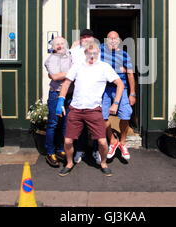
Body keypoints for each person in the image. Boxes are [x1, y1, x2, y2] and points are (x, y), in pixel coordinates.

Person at [55, 42, 124, 177]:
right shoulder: (77, 66)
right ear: (85, 53)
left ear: (98, 54)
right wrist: (60, 100)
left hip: (94, 110)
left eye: (94, 53)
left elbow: (120, 84)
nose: (92, 56)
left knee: (102, 142)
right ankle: (69, 163)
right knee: (68, 141)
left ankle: (103, 163)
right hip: (76, 109)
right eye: (89, 53)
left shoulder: (104, 67)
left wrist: (115, 103)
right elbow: (67, 83)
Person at [101, 31, 136, 161]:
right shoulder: (100, 52)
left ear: (120, 40)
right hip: (104, 89)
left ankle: (122, 143)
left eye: (115, 38)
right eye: (110, 38)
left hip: (122, 88)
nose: (113, 40)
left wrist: (132, 93)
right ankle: (112, 140)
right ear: (106, 40)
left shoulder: (125, 55)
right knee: (101, 117)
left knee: (126, 114)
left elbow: (130, 74)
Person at [69, 29, 101, 164]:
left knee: (95, 125)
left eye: (89, 36)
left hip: (94, 93)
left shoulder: (97, 51)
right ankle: (80, 150)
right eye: (84, 36)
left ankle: (95, 150)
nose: (86, 39)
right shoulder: (74, 51)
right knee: (80, 124)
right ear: (80, 38)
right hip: (78, 92)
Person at [44, 36, 73, 167]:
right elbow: (55, 76)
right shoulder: (51, 59)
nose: (60, 46)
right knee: (53, 124)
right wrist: (73, 72)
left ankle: (61, 149)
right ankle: (50, 152)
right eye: (57, 44)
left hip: (70, 95)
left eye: (62, 43)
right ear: (53, 47)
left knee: (65, 124)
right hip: (56, 95)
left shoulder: (69, 55)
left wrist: (65, 73)